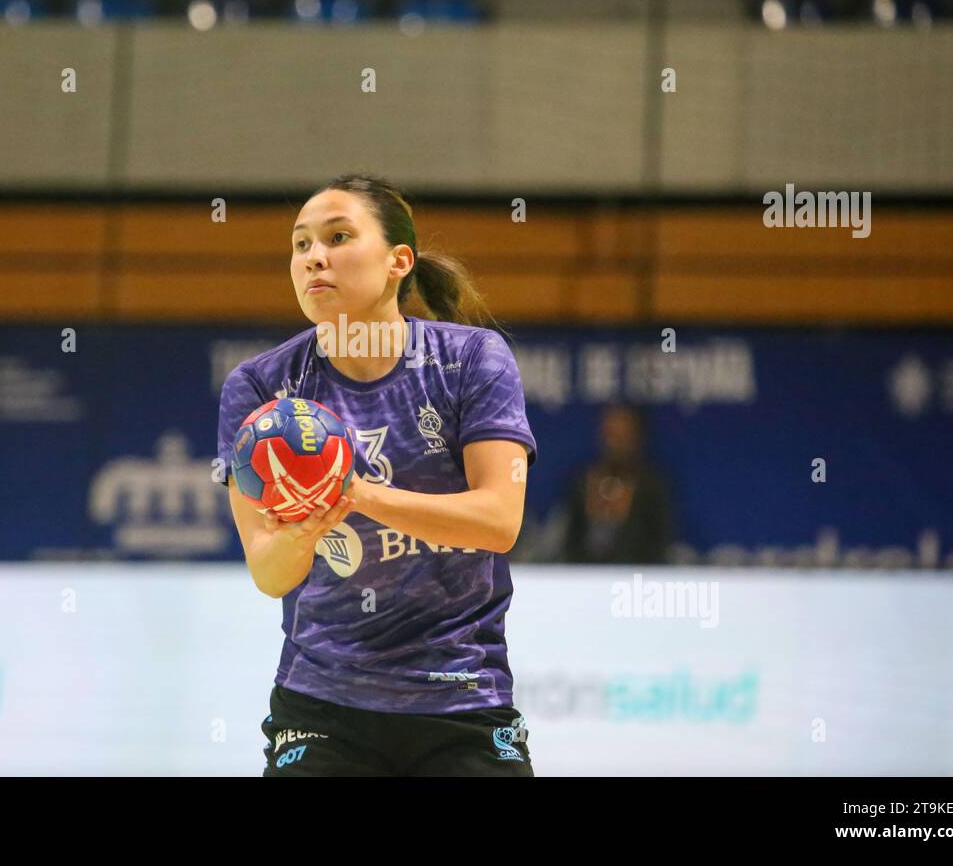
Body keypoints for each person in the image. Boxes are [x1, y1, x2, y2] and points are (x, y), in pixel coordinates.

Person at [217, 173, 537, 776]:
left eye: (338, 237)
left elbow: (498, 522)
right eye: (301, 244)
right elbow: (269, 571)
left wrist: (355, 491)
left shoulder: (470, 360)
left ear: (399, 261)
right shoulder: (261, 390)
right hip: (322, 704)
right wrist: (307, 518)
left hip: (461, 696)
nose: (315, 257)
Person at [561, 403, 674, 565]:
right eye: (611, 435)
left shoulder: (652, 488)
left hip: (634, 579)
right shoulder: (583, 482)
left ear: (637, 437)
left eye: (624, 436)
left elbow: (660, 544)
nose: (616, 444)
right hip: (584, 577)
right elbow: (569, 540)